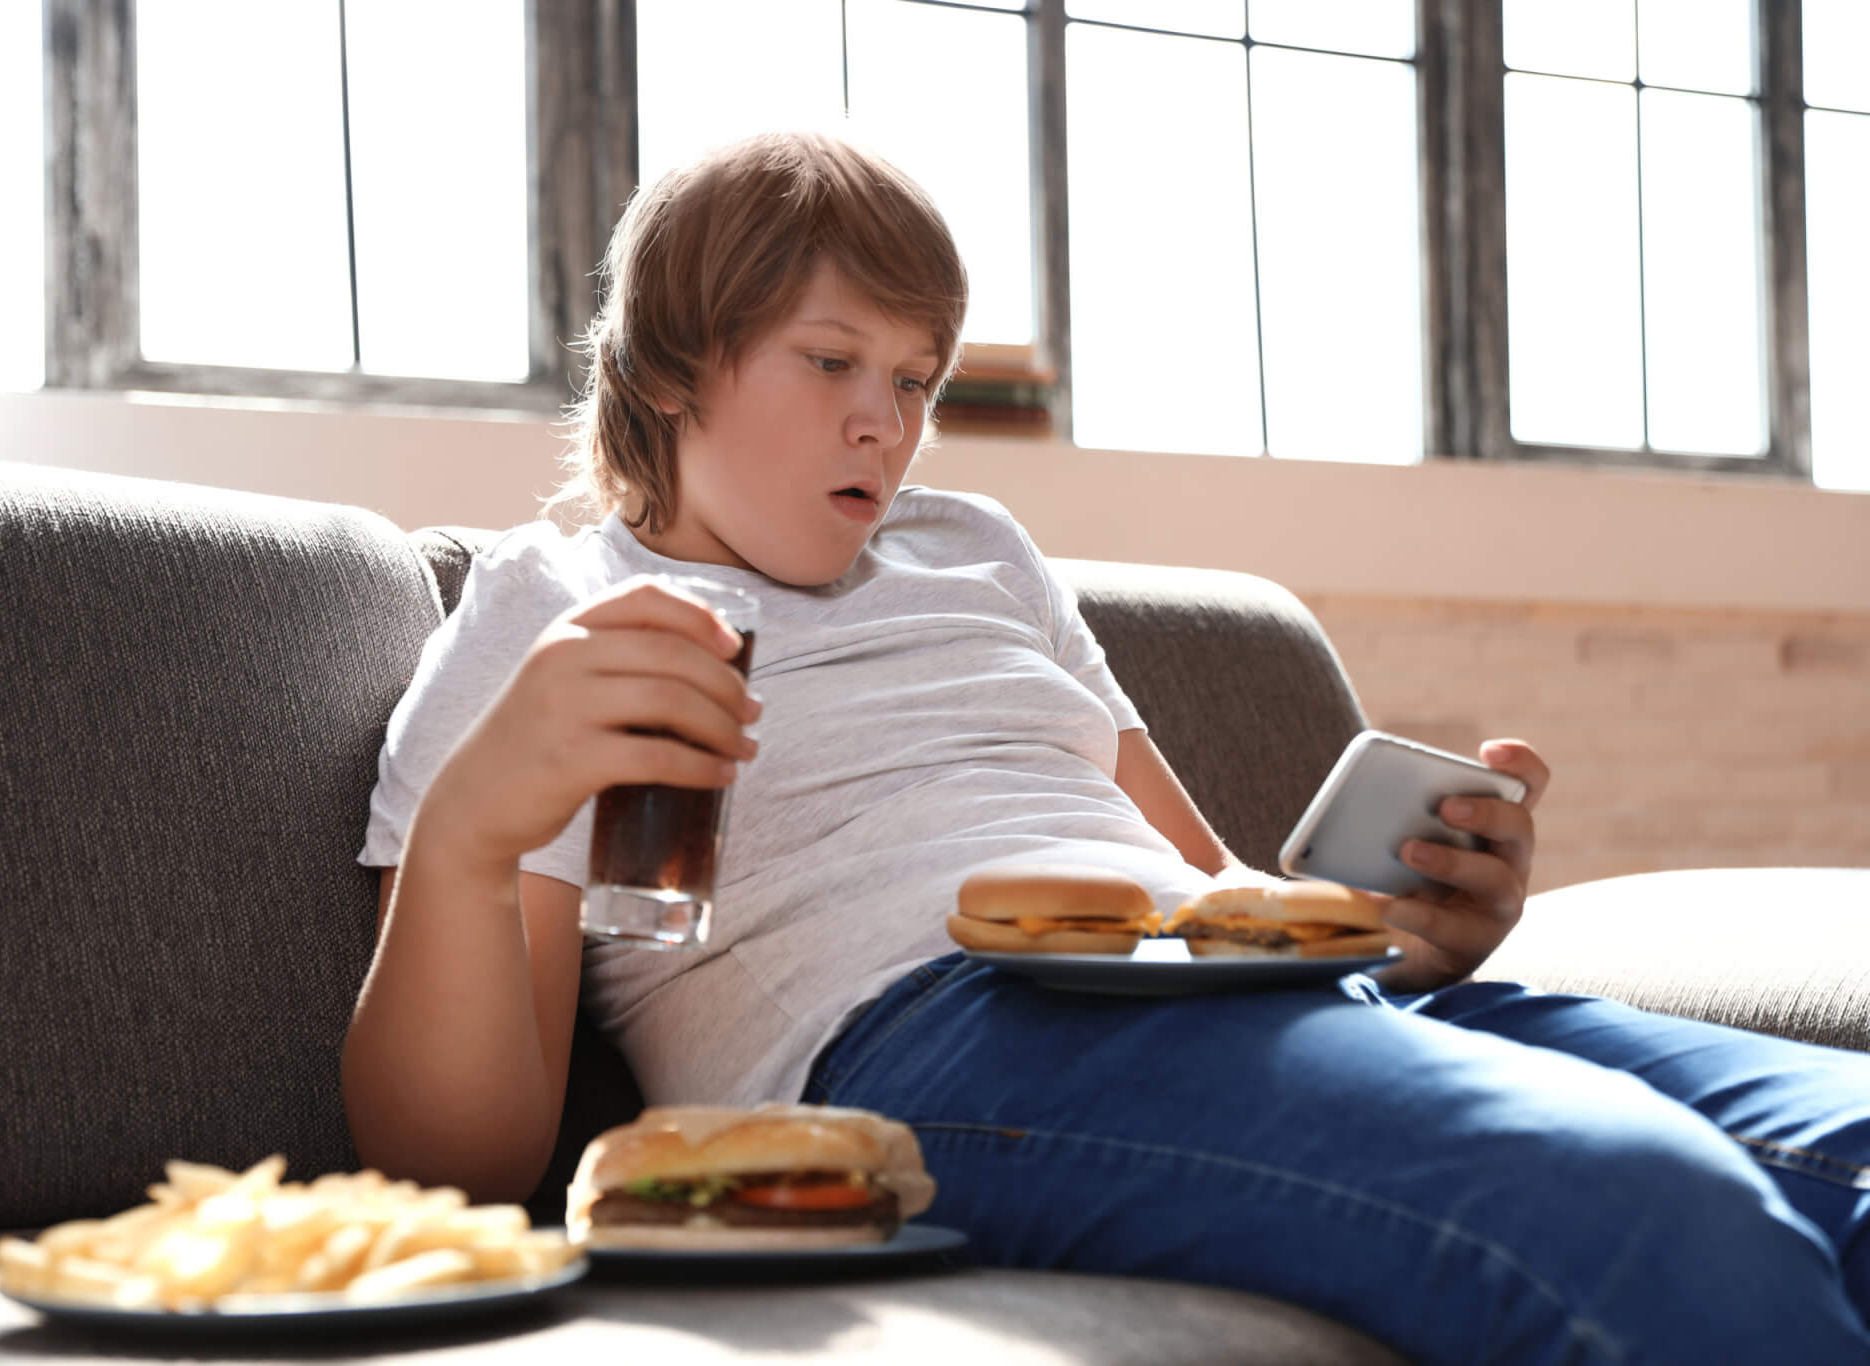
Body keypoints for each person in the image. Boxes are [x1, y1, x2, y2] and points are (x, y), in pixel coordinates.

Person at [343, 131, 1870, 1362]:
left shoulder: (980, 548)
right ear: (674, 363)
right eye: (831, 362)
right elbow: (462, 1161)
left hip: (1217, 988)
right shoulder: (557, 610)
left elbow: (1204, 884)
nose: (887, 421)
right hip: (931, 1036)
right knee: (1637, 1206)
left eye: (917, 378)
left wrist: (1405, 932)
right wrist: (479, 820)